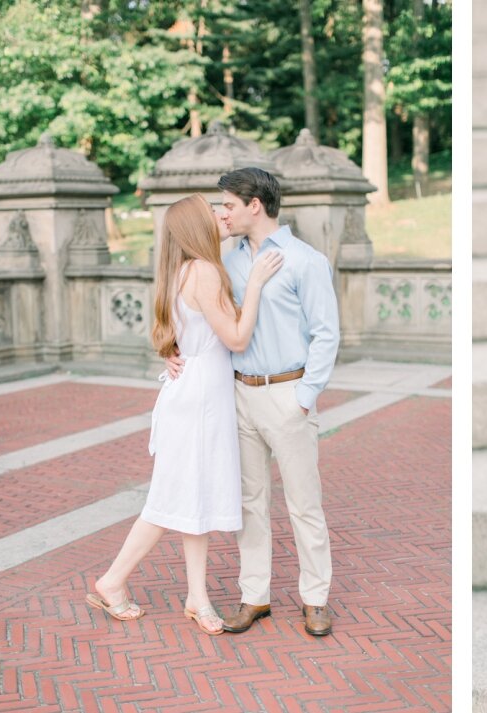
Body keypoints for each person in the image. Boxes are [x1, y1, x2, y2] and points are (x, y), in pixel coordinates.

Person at [87, 193, 283, 635]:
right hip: (197, 404)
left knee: (195, 500)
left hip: (195, 395)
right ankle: (112, 581)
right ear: (198, 225)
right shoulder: (207, 272)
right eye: (213, 212)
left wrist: (176, 356)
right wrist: (253, 286)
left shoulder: (181, 270)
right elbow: (234, 338)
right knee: (167, 501)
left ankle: (197, 596)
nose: (221, 215)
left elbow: (186, 338)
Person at [168, 167, 340, 637]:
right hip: (238, 393)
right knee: (250, 502)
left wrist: (304, 398)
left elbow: (327, 334)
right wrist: (174, 353)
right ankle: (254, 596)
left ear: (254, 205)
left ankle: (315, 598)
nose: (222, 213)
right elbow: (203, 318)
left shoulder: (307, 261)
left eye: (227, 204)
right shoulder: (225, 262)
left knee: (305, 504)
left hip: (289, 393)